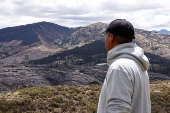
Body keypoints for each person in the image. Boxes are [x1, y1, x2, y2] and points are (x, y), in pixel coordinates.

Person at [97, 19, 151, 113]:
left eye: (105, 35)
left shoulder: (119, 67)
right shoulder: (140, 65)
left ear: (111, 38)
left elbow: (118, 109)